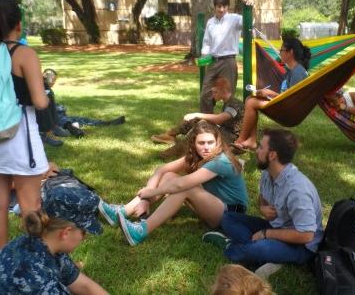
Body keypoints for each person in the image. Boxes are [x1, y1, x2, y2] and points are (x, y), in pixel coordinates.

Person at [0, 0, 49, 252]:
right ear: (18, 24)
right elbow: (40, 101)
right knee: (31, 205)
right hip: (19, 139)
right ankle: (39, 262)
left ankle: (0, 261)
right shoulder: (24, 53)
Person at [97, 121, 249, 245]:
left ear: (218, 143)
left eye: (211, 142)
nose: (206, 147)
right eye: (201, 143)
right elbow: (162, 170)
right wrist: (145, 200)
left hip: (232, 215)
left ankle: (140, 231)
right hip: (215, 206)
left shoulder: (220, 161)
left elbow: (181, 185)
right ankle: (122, 212)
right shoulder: (197, 156)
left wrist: (152, 193)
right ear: (194, 144)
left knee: (184, 188)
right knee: (170, 175)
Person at [205, 129, 323, 279]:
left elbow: (306, 235)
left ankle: (233, 247)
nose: (256, 150)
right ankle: (266, 255)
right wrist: (262, 207)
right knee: (228, 218)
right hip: (277, 226)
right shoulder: (268, 173)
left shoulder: (297, 190)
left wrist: (266, 234)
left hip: (301, 246)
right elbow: (262, 198)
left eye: (261, 147)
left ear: (272, 155)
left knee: (259, 248)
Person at [0, 185, 108, 294]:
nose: (84, 238)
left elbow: (83, 285)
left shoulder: (41, 243)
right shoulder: (38, 276)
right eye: (83, 232)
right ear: (66, 233)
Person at [233, 38, 311, 151]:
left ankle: (241, 140)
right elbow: (287, 93)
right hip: (284, 104)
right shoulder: (292, 70)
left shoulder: (298, 72)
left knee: (251, 102)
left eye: (282, 50)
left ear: (291, 52)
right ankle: (251, 140)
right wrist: (267, 94)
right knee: (251, 98)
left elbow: (292, 98)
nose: (280, 53)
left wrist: (270, 93)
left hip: (290, 110)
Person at [151, 77, 244, 158]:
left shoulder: (235, 104)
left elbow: (219, 119)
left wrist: (197, 114)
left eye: (215, 92)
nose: (212, 95)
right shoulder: (229, 102)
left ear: (223, 91)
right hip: (225, 131)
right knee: (198, 121)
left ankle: (170, 154)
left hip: (232, 138)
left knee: (200, 129)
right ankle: (170, 135)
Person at [200, 0, 253, 113]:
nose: (222, 9)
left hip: (228, 61)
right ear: (215, 7)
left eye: (224, 6)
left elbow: (249, 21)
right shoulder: (210, 22)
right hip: (213, 61)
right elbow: (207, 41)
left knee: (228, 95)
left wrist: (248, 5)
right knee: (205, 94)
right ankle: (206, 123)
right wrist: (204, 54)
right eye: (219, 6)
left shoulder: (234, 19)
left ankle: (226, 124)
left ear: (228, 7)